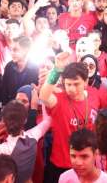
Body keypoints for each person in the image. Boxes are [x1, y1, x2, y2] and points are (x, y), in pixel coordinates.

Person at [39, 51, 101, 183]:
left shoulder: (94, 98)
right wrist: (56, 70)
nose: (72, 89)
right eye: (68, 84)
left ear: (86, 82)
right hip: (61, 165)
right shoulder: (59, 100)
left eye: (76, 84)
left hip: (87, 165)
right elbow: (43, 97)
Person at [1, 36, 38, 106]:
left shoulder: (36, 68)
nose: (12, 53)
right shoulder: (9, 66)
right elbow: (4, 89)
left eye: (15, 50)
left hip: (29, 108)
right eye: (11, 50)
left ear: (26, 51)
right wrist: (4, 106)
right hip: (11, 107)